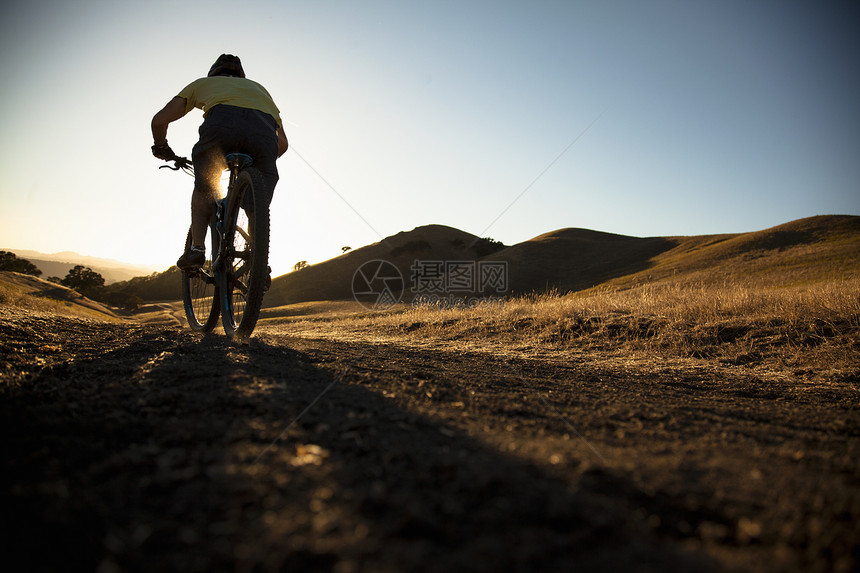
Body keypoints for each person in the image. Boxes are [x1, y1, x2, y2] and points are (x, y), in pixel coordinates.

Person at [151, 54, 288, 269]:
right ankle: (258, 260)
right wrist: (258, 165)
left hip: (220, 130)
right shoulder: (260, 90)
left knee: (205, 186)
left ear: (214, 72)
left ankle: (197, 250)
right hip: (263, 136)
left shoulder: (204, 84)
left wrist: (161, 146)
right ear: (241, 76)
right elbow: (283, 144)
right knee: (254, 202)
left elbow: (159, 121)